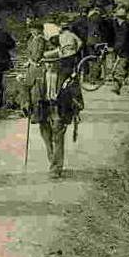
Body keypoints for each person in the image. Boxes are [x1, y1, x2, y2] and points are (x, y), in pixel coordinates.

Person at [39, 22, 84, 179]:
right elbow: (30, 90)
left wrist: (76, 106)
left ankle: (56, 167)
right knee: (46, 137)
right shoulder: (40, 76)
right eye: (47, 65)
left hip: (59, 109)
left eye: (53, 64)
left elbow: (76, 92)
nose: (50, 67)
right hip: (43, 108)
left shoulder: (67, 75)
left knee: (58, 137)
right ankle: (53, 160)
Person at [111, 6, 129, 94]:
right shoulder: (119, 24)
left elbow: (124, 39)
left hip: (126, 49)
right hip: (124, 48)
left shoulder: (127, 25)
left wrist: (117, 49)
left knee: (122, 67)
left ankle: (117, 87)